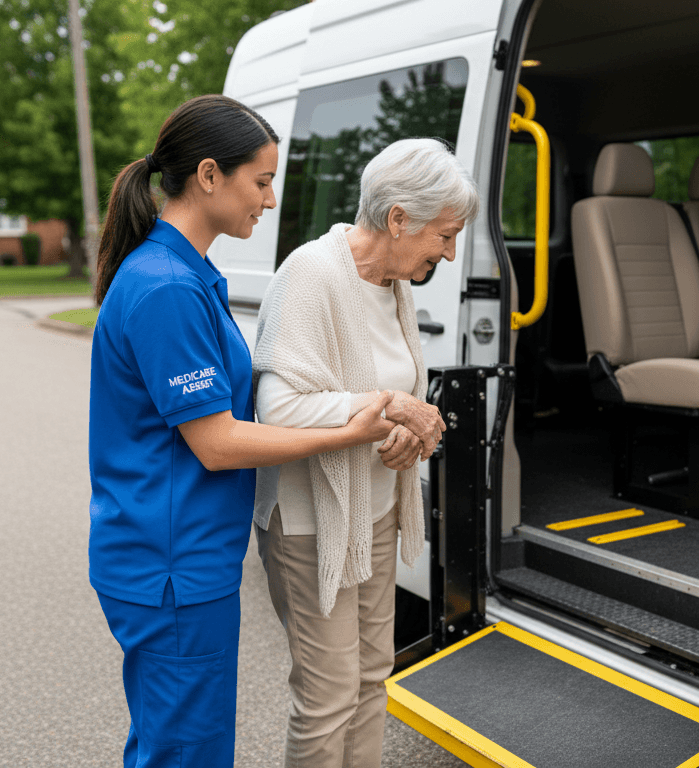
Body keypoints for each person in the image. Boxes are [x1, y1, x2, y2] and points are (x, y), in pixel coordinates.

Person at [86, 95, 397, 768]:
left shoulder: (185, 273)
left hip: (178, 558)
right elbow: (218, 442)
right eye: (260, 180)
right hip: (172, 564)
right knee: (186, 754)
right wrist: (348, 429)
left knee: (173, 744)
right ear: (208, 175)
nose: (269, 198)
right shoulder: (167, 287)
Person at [252, 138, 480, 768]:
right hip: (311, 523)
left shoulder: (392, 283)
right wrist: (393, 408)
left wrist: (403, 428)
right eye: (445, 235)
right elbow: (280, 409)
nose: (449, 253)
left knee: (374, 675)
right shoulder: (312, 273)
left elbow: (385, 397)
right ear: (398, 218)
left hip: (374, 512)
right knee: (328, 697)